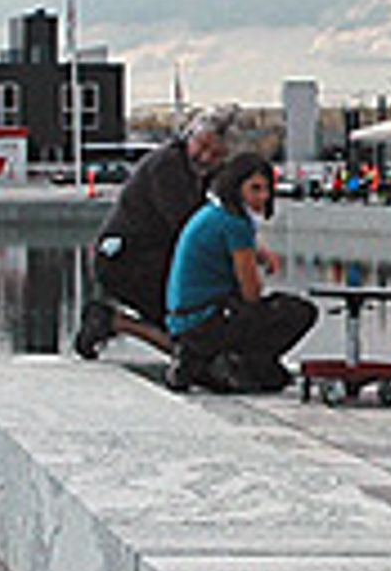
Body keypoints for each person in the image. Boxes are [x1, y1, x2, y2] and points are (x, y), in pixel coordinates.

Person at [75, 103, 239, 358]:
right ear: (189, 137)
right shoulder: (167, 165)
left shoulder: (208, 174)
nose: (206, 158)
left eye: (216, 154)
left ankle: (113, 322)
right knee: (186, 333)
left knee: (196, 328)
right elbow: (189, 227)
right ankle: (114, 322)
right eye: (202, 147)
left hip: (157, 258)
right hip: (127, 261)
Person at [165, 150, 316, 392]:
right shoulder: (236, 225)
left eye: (267, 189)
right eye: (255, 189)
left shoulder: (214, 214)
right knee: (298, 312)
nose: (263, 197)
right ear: (236, 187)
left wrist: (258, 253)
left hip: (183, 319)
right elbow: (251, 294)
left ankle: (216, 362)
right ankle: (245, 362)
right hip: (206, 321)